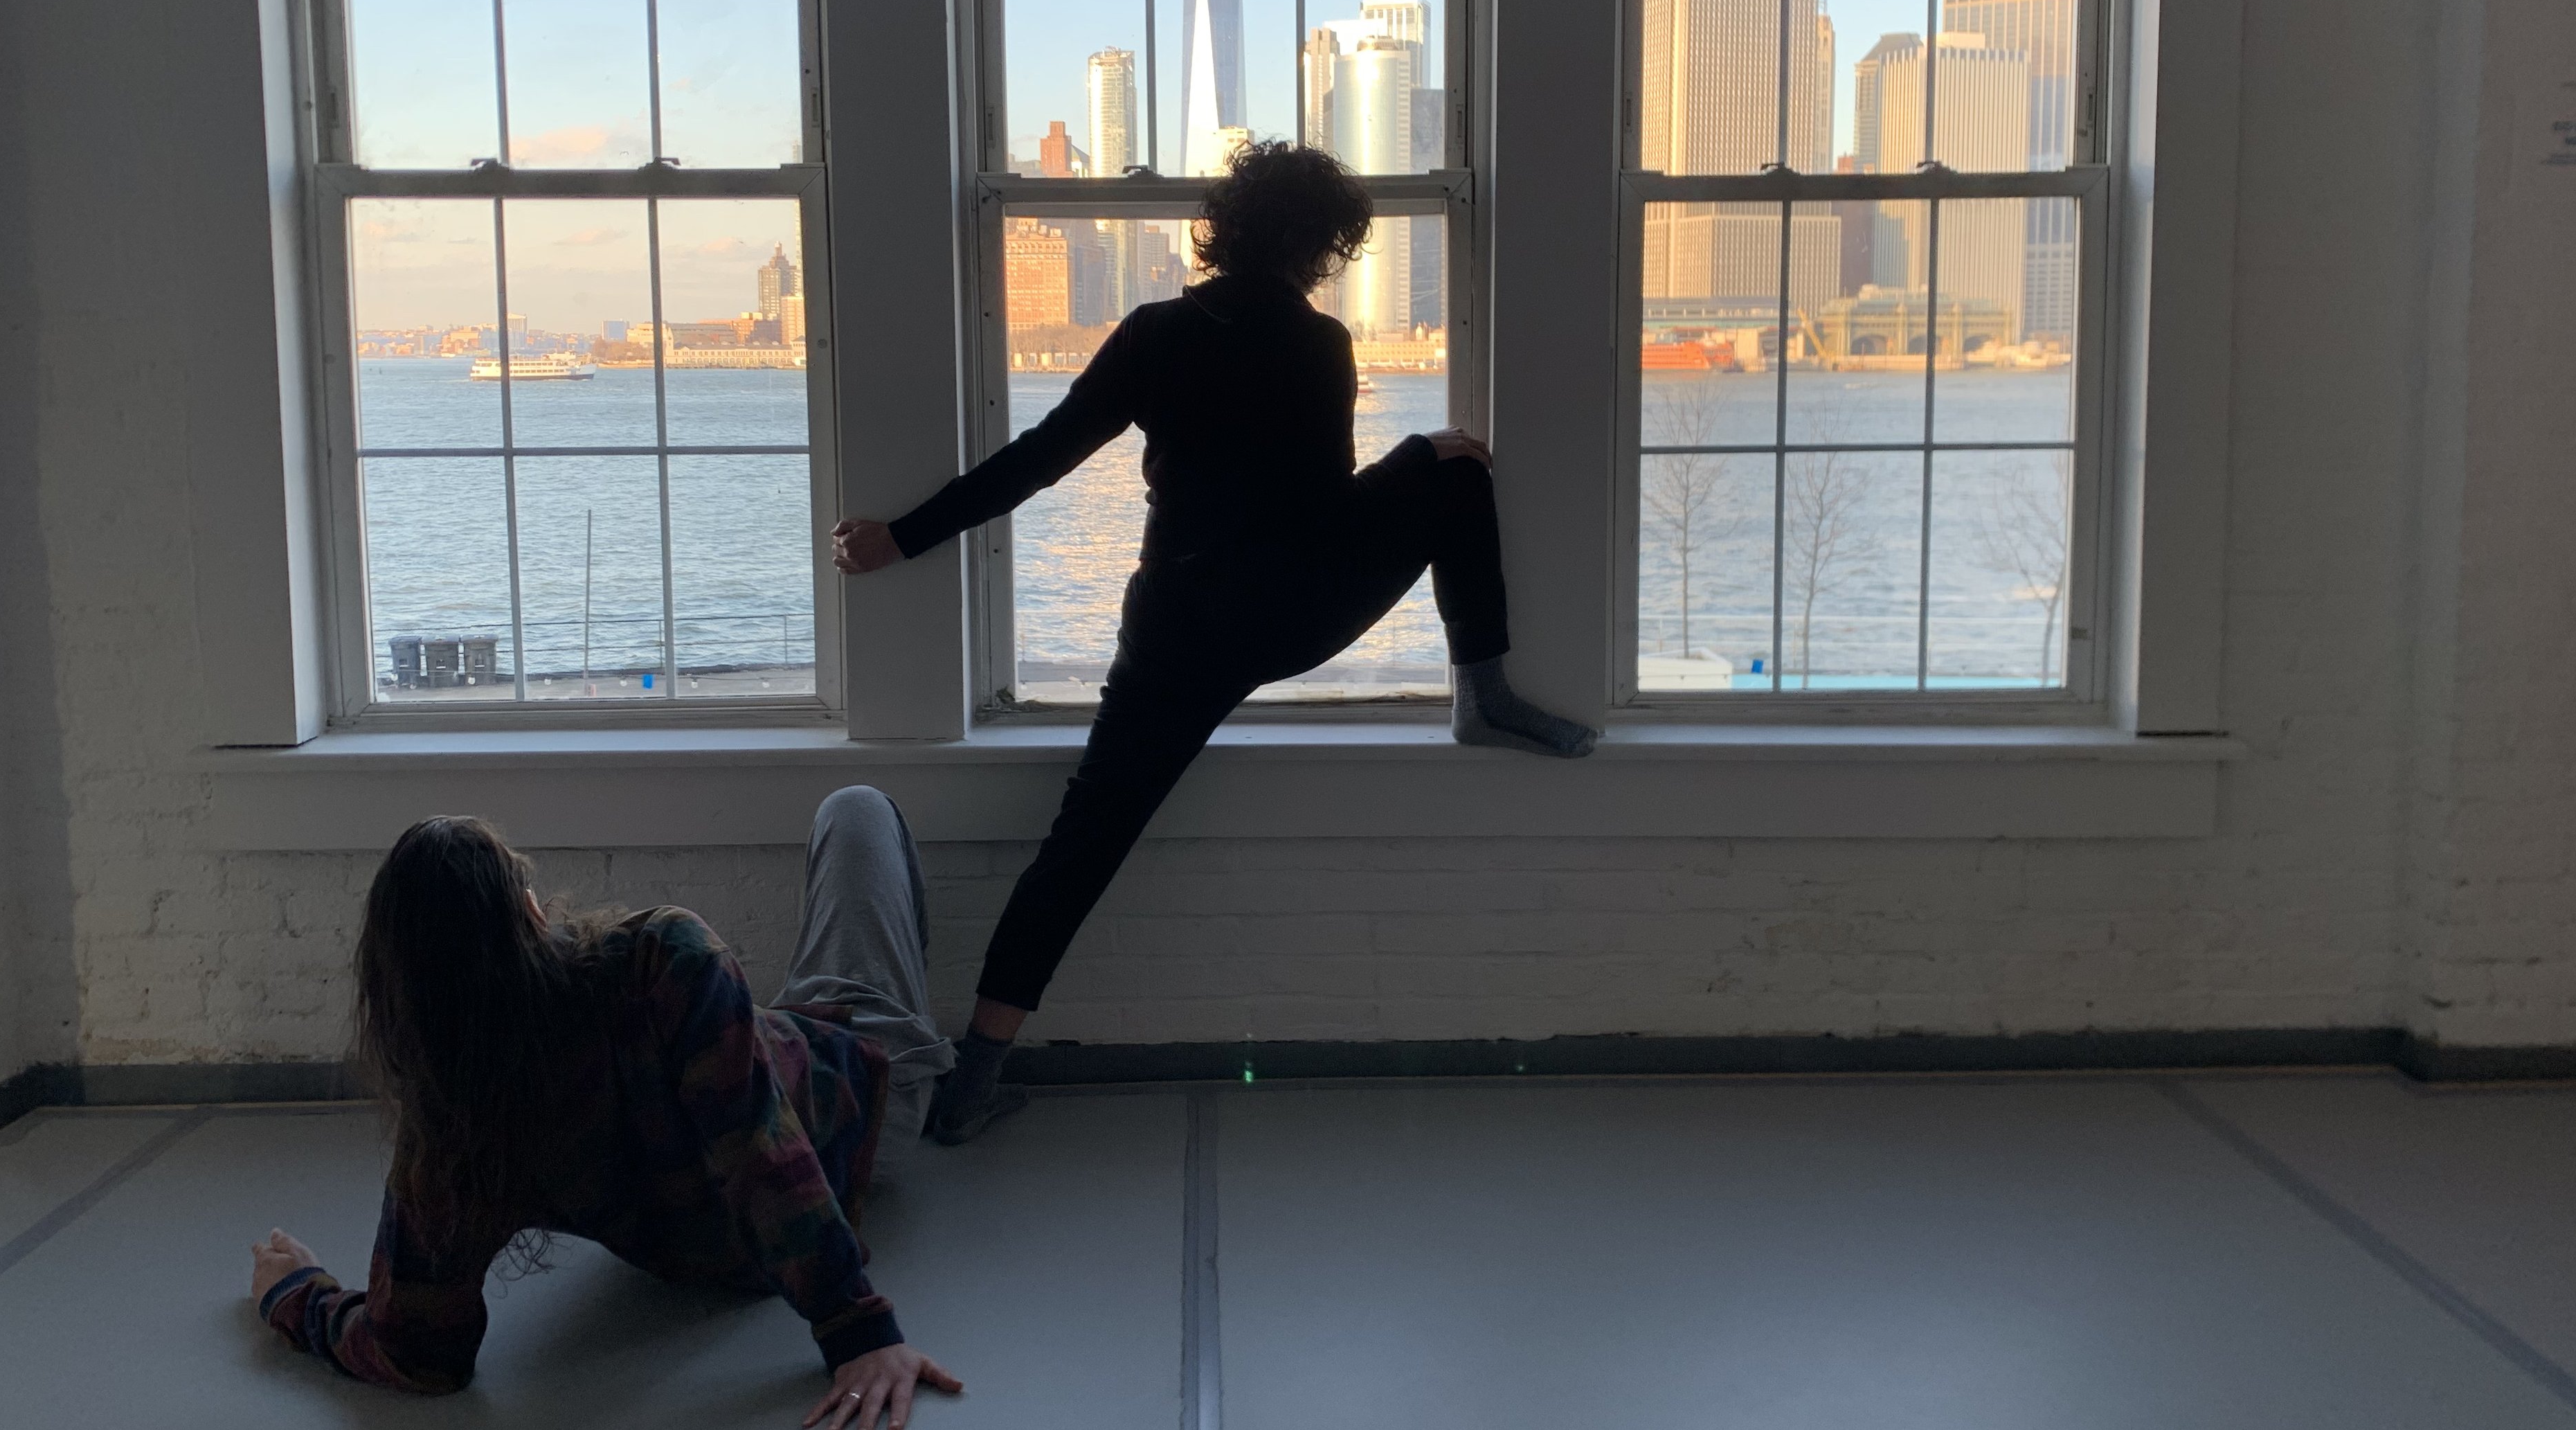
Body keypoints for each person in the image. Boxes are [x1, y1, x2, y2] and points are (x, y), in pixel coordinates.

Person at [829, 141, 1593, 1147]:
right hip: (1285, 616)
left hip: (1176, 632)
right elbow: (1321, 519)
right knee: (1454, 472)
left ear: (1221, 228)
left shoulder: (1151, 333)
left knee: (1082, 843)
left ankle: (973, 1078)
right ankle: (1481, 692)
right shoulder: (1318, 344)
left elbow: (1036, 462)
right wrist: (1422, 456)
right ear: (1318, 244)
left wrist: (899, 538)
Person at [247, 789, 964, 1430]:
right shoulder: (661, 958)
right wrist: (859, 1332)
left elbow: (416, 1351)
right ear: (528, 916)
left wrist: (296, 1296)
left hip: (715, 1239)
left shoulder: (453, 1124)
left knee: (762, 1015)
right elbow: (760, 1151)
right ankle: (943, 1068)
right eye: (524, 881)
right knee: (858, 809)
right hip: (865, 1109)